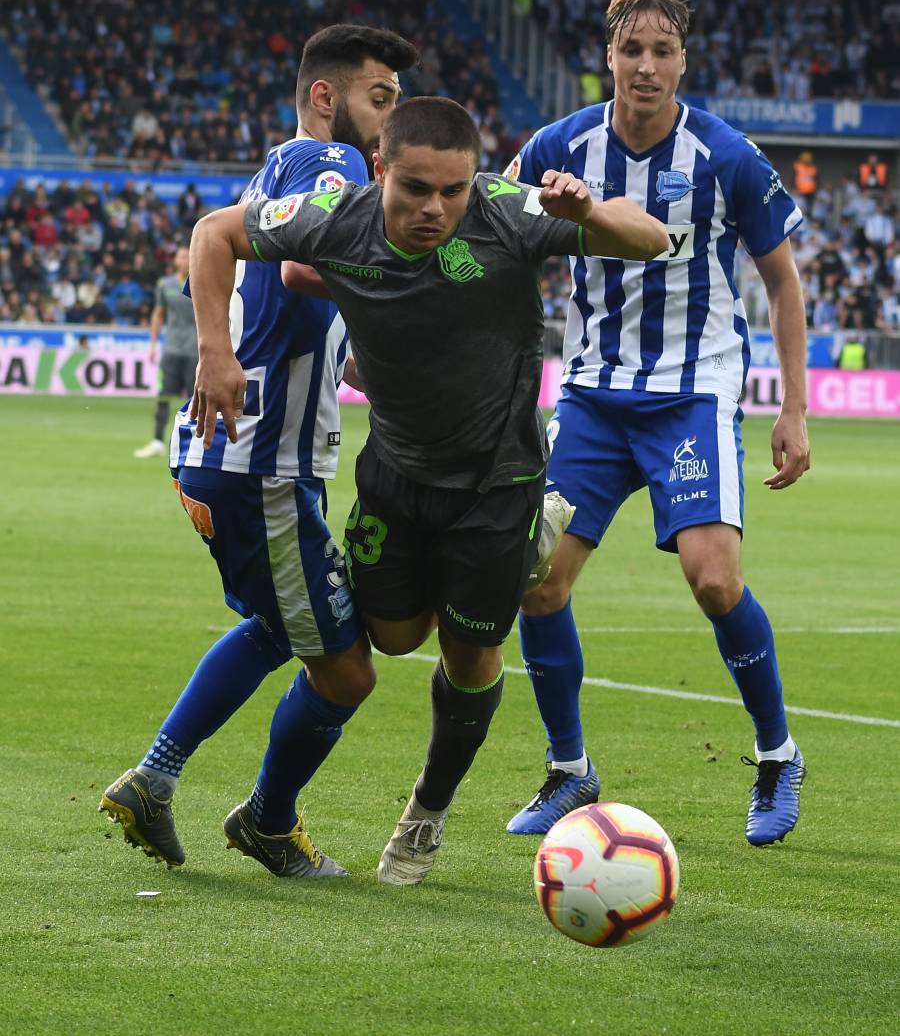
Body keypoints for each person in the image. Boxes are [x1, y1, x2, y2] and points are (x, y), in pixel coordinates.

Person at [187, 95, 668, 885]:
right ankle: (514, 562)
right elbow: (216, 232)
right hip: (397, 479)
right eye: (415, 188)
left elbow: (649, 239)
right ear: (378, 170)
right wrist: (215, 349)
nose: (435, 208)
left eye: (453, 190)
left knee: (471, 653)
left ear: (475, 180)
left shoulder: (512, 212)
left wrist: (589, 212)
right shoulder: (333, 216)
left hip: (496, 486)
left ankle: (427, 812)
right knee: (395, 639)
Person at [503, 0, 811, 847]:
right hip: (595, 398)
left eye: (661, 50)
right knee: (537, 579)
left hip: (694, 394)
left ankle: (776, 754)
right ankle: (570, 772)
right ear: (608, 56)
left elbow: (782, 285)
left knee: (714, 580)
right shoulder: (560, 146)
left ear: (683, 62)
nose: (645, 64)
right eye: (631, 48)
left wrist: (792, 411)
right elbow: (494, 228)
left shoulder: (725, 155)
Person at [101, 24, 419, 877]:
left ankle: (155, 783)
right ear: (327, 97)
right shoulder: (335, 166)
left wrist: (363, 359)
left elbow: (303, 294)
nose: (387, 121)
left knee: (278, 628)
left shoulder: (287, 167)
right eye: (378, 99)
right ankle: (268, 822)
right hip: (261, 465)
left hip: (243, 459)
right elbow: (303, 273)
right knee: (348, 672)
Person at [133, 246, 196, 457]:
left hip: (196, 351)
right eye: (181, 256)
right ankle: (157, 441)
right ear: (175, 260)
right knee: (163, 396)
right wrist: (152, 344)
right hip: (171, 349)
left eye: (188, 256)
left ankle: (195, 443)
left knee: (196, 400)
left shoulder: (203, 281)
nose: (184, 259)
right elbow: (158, 314)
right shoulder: (165, 284)